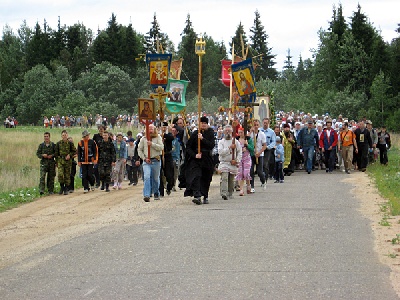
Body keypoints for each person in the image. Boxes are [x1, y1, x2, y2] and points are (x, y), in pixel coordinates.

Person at [184, 116, 215, 205]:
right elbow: (188, 147)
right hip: (196, 159)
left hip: (207, 158)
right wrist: (195, 155)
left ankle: (205, 195)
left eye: (205, 123)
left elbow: (211, 145)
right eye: (202, 123)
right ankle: (197, 195)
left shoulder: (210, 133)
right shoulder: (195, 134)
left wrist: (202, 139)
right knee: (196, 176)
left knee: (206, 177)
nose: (203, 125)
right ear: (199, 124)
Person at [138, 124, 164, 202]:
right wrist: (144, 158)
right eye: (148, 129)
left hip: (156, 160)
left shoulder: (158, 137)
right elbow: (139, 150)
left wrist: (152, 144)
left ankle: (156, 192)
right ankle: (147, 194)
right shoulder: (143, 139)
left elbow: (161, 147)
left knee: (156, 178)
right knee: (146, 177)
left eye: (151, 129)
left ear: (154, 129)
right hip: (147, 161)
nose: (150, 130)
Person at [218, 125, 242, 200]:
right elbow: (220, 152)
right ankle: (224, 193)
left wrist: (236, 160)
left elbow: (239, 152)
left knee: (231, 179)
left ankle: (230, 192)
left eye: (229, 131)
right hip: (224, 162)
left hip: (232, 163)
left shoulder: (236, 142)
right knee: (224, 177)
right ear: (224, 132)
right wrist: (229, 148)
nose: (228, 132)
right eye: (226, 131)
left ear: (232, 132)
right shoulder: (221, 142)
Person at [54, 130, 77, 195]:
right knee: (60, 175)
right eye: (63, 135)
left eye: (65, 135)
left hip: (67, 161)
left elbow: (74, 151)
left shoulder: (70, 144)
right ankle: (62, 187)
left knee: (67, 175)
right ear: (61, 136)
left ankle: (66, 188)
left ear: (67, 135)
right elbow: (56, 153)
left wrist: (70, 155)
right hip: (61, 161)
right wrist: (56, 162)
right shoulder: (58, 143)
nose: (64, 136)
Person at [249, 119, 267, 192]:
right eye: (254, 125)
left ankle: (263, 181)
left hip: (259, 154)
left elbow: (265, 145)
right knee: (251, 171)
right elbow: (246, 139)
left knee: (259, 171)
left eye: (257, 125)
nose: (256, 127)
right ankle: (252, 186)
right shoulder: (250, 134)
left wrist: (259, 153)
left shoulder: (262, 134)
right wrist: (250, 131)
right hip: (251, 154)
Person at [235, 126, 253, 196]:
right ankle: (241, 189)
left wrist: (247, 145)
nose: (240, 134)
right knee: (240, 173)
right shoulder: (236, 140)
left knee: (246, 173)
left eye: (241, 132)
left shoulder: (248, 139)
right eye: (239, 132)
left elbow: (252, 149)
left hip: (247, 158)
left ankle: (248, 185)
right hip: (239, 158)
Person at [159, 122, 175, 196]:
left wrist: (164, 136)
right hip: (159, 156)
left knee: (169, 174)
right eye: (162, 127)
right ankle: (160, 191)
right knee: (159, 174)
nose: (163, 128)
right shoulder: (157, 135)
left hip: (167, 155)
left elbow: (171, 138)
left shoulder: (169, 134)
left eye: (165, 127)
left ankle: (169, 187)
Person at [260, 118, 276, 182]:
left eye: (266, 123)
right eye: (264, 123)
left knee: (265, 164)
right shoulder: (259, 131)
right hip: (260, 149)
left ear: (268, 123)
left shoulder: (271, 132)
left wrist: (268, 147)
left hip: (267, 150)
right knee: (260, 164)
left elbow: (273, 141)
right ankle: (261, 177)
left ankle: (265, 178)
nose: (265, 124)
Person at [171, 125, 181, 191]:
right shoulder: (168, 139)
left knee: (175, 173)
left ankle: (174, 185)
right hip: (169, 157)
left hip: (176, 158)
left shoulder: (178, 140)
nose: (173, 132)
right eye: (172, 131)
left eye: (175, 131)